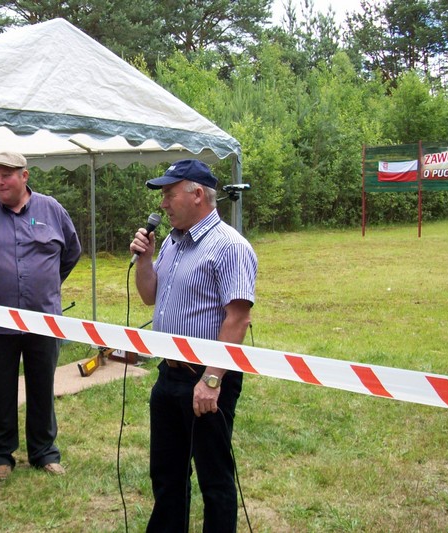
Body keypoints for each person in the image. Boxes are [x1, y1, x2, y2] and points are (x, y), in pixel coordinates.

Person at [129, 159, 257, 532]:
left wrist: (212, 379)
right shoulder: (171, 241)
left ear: (197, 194)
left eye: (169, 194)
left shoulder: (229, 247)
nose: (163, 204)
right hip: (168, 375)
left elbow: (238, 319)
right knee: (167, 476)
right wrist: (145, 261)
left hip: (207, 380)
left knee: (214, 479)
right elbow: (150, 297)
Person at [0, 151, 81, 481]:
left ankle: (44, 451)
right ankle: (0, 453)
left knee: (42, 385)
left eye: (6, 175)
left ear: (24, 176)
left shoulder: (51, 210)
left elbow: (71, 251)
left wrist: (47, 284)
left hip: (43, 318)